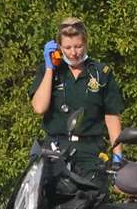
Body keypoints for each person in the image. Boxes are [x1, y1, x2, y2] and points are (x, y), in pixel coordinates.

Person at [31, 17, 125, 170]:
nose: (73, 53)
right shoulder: (50, 72)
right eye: (67, 48)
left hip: (91, 153)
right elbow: (39, 108)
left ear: (86, 43)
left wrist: (118, 155)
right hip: (55, 152)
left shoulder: (101, 72)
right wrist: (49, 68)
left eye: (78, 46)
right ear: (59, 47)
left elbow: (112, 116)